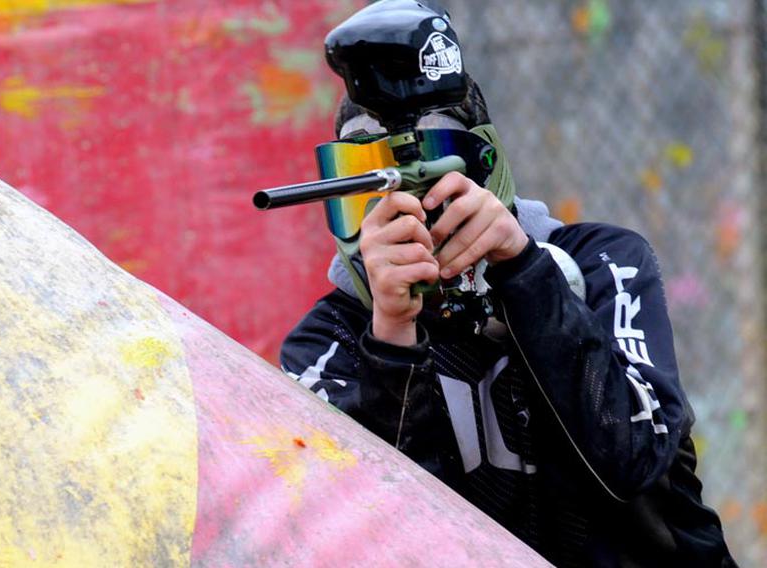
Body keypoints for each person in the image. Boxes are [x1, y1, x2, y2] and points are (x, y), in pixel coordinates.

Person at [279, 46, 736, 568]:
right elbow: (365, 532)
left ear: (485, 167)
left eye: (430, 177)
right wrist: (393, 337)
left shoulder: (603, 263)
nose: (411, 209)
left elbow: (636, 457)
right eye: (369, 180)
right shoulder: (329, 340)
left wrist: (521, 267)